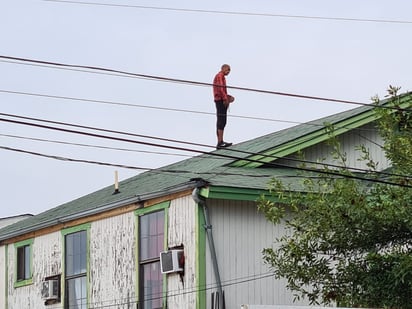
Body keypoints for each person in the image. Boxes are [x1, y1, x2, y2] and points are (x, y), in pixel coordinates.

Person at [213, 64, 234, 149]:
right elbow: (221, 89)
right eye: (228, 69)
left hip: (221, 99)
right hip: (220, 100)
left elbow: (222, 90)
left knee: (223, 120)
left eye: (229, 70)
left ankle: (221, 141)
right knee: (221, 120)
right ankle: (220, 142)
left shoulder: (222, 77)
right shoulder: (220, 76)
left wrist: (228, 97)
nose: (228, 72)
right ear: (223, 68)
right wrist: (226, 99)